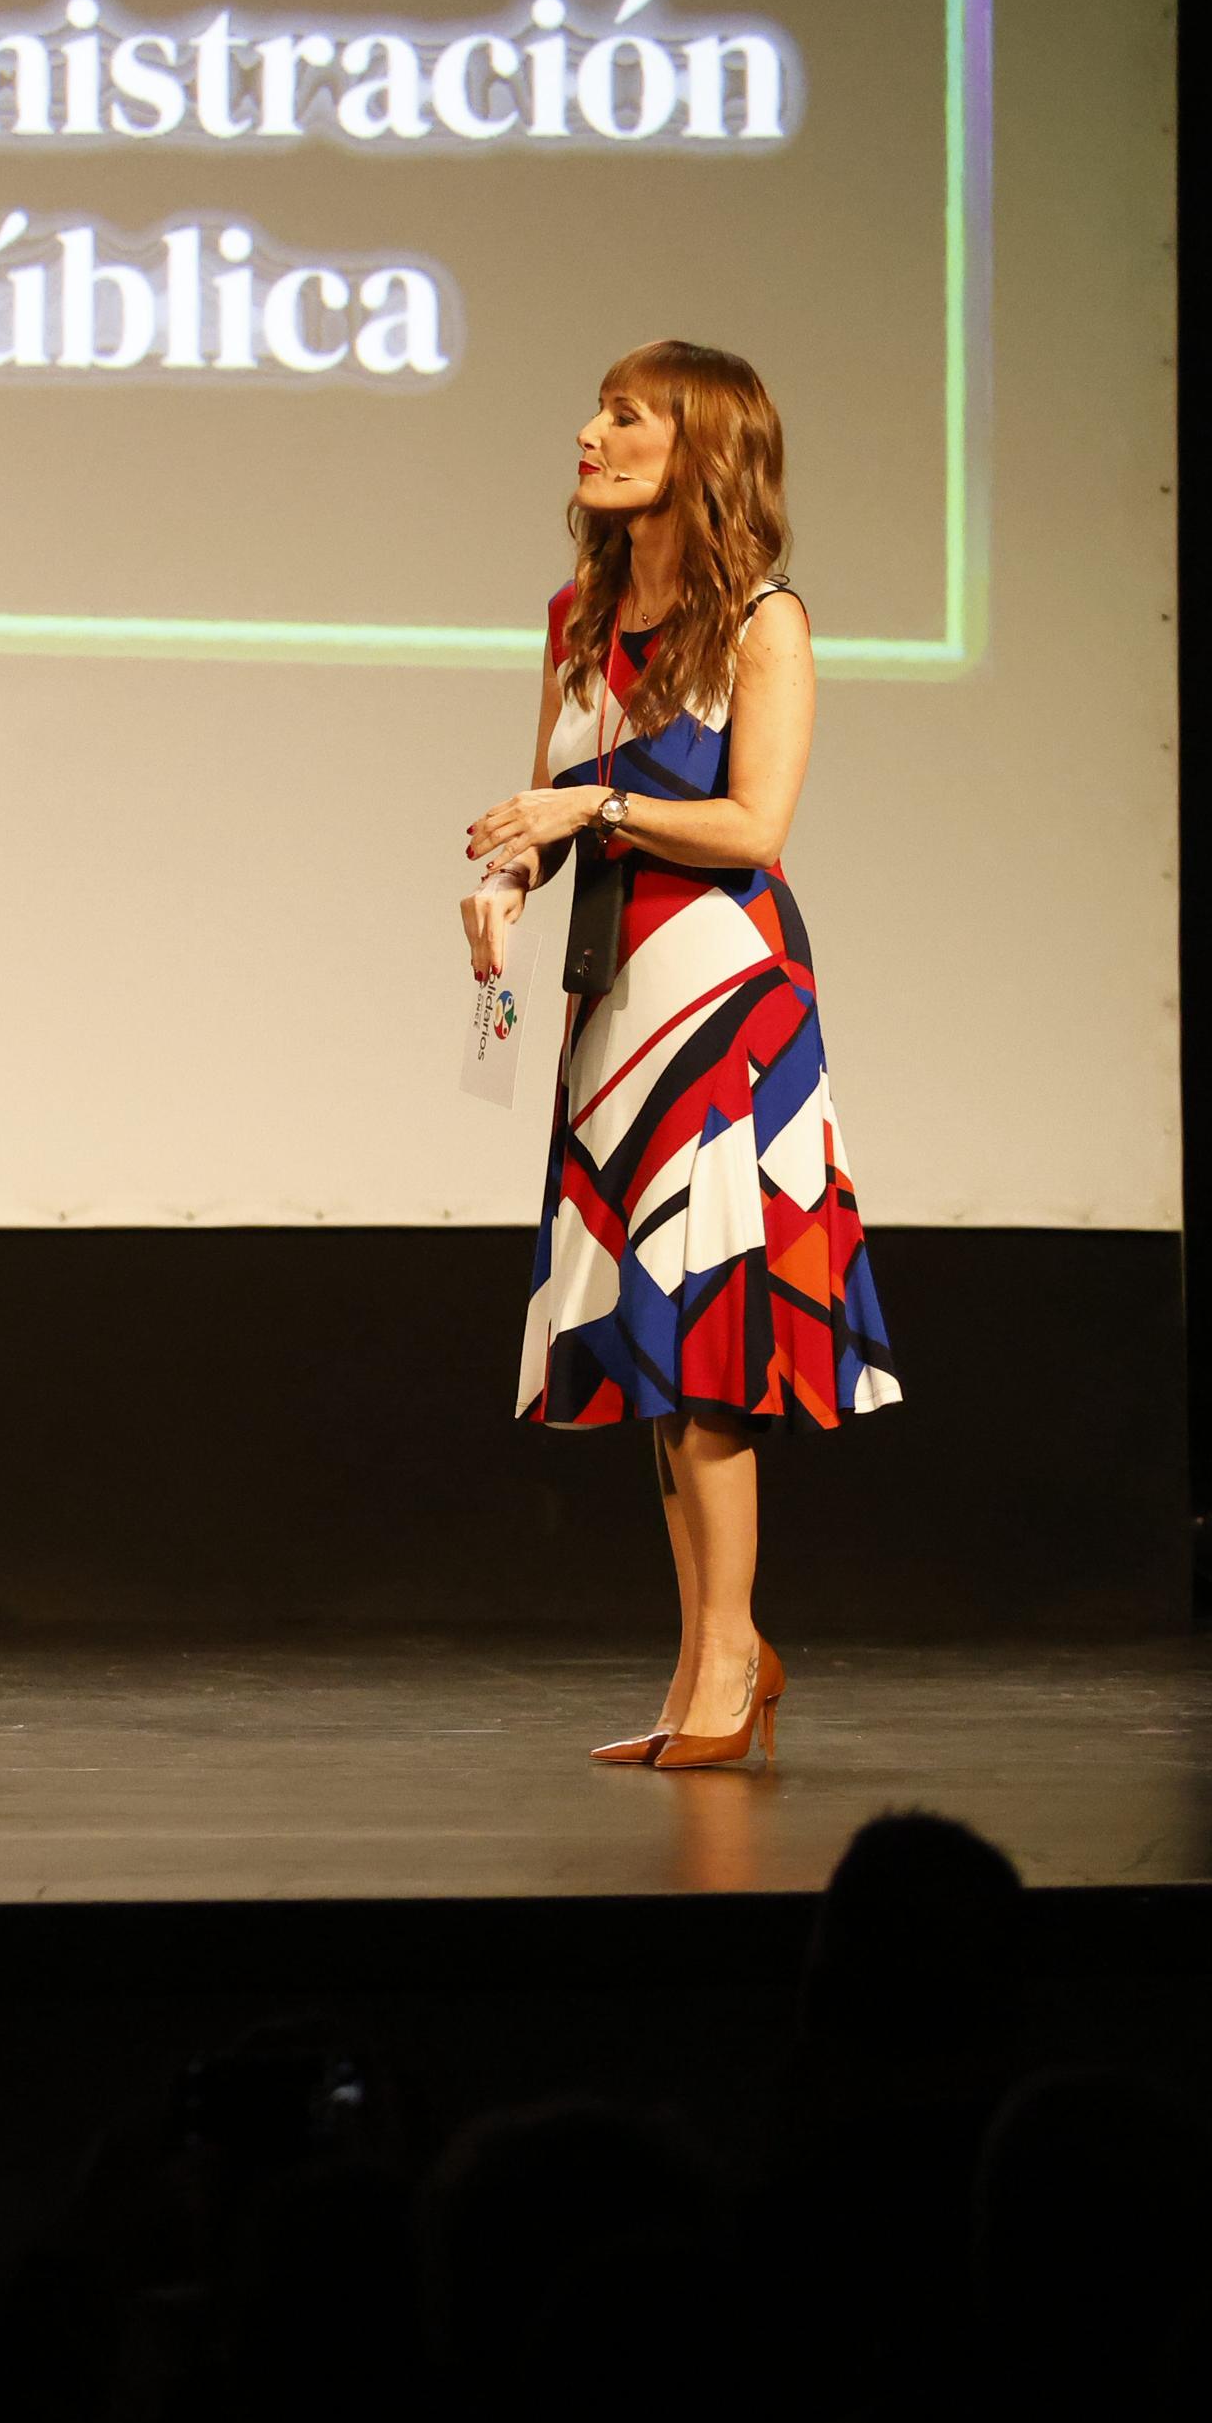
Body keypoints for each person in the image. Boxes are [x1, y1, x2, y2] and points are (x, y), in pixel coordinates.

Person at [462, 340, 901, 1768]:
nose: (590, 433)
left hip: (723, 1003)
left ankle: (726, 1659)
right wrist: (503, 890)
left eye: (627, 414)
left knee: (708, 1341)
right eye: (597, 407)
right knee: (653, 1352)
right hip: (612, 1010)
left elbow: (752, 828)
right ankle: (715, 1653)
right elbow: (553, 810)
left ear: (701, 449)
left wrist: (582, 810)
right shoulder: (577, 619)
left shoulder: (761, 621)